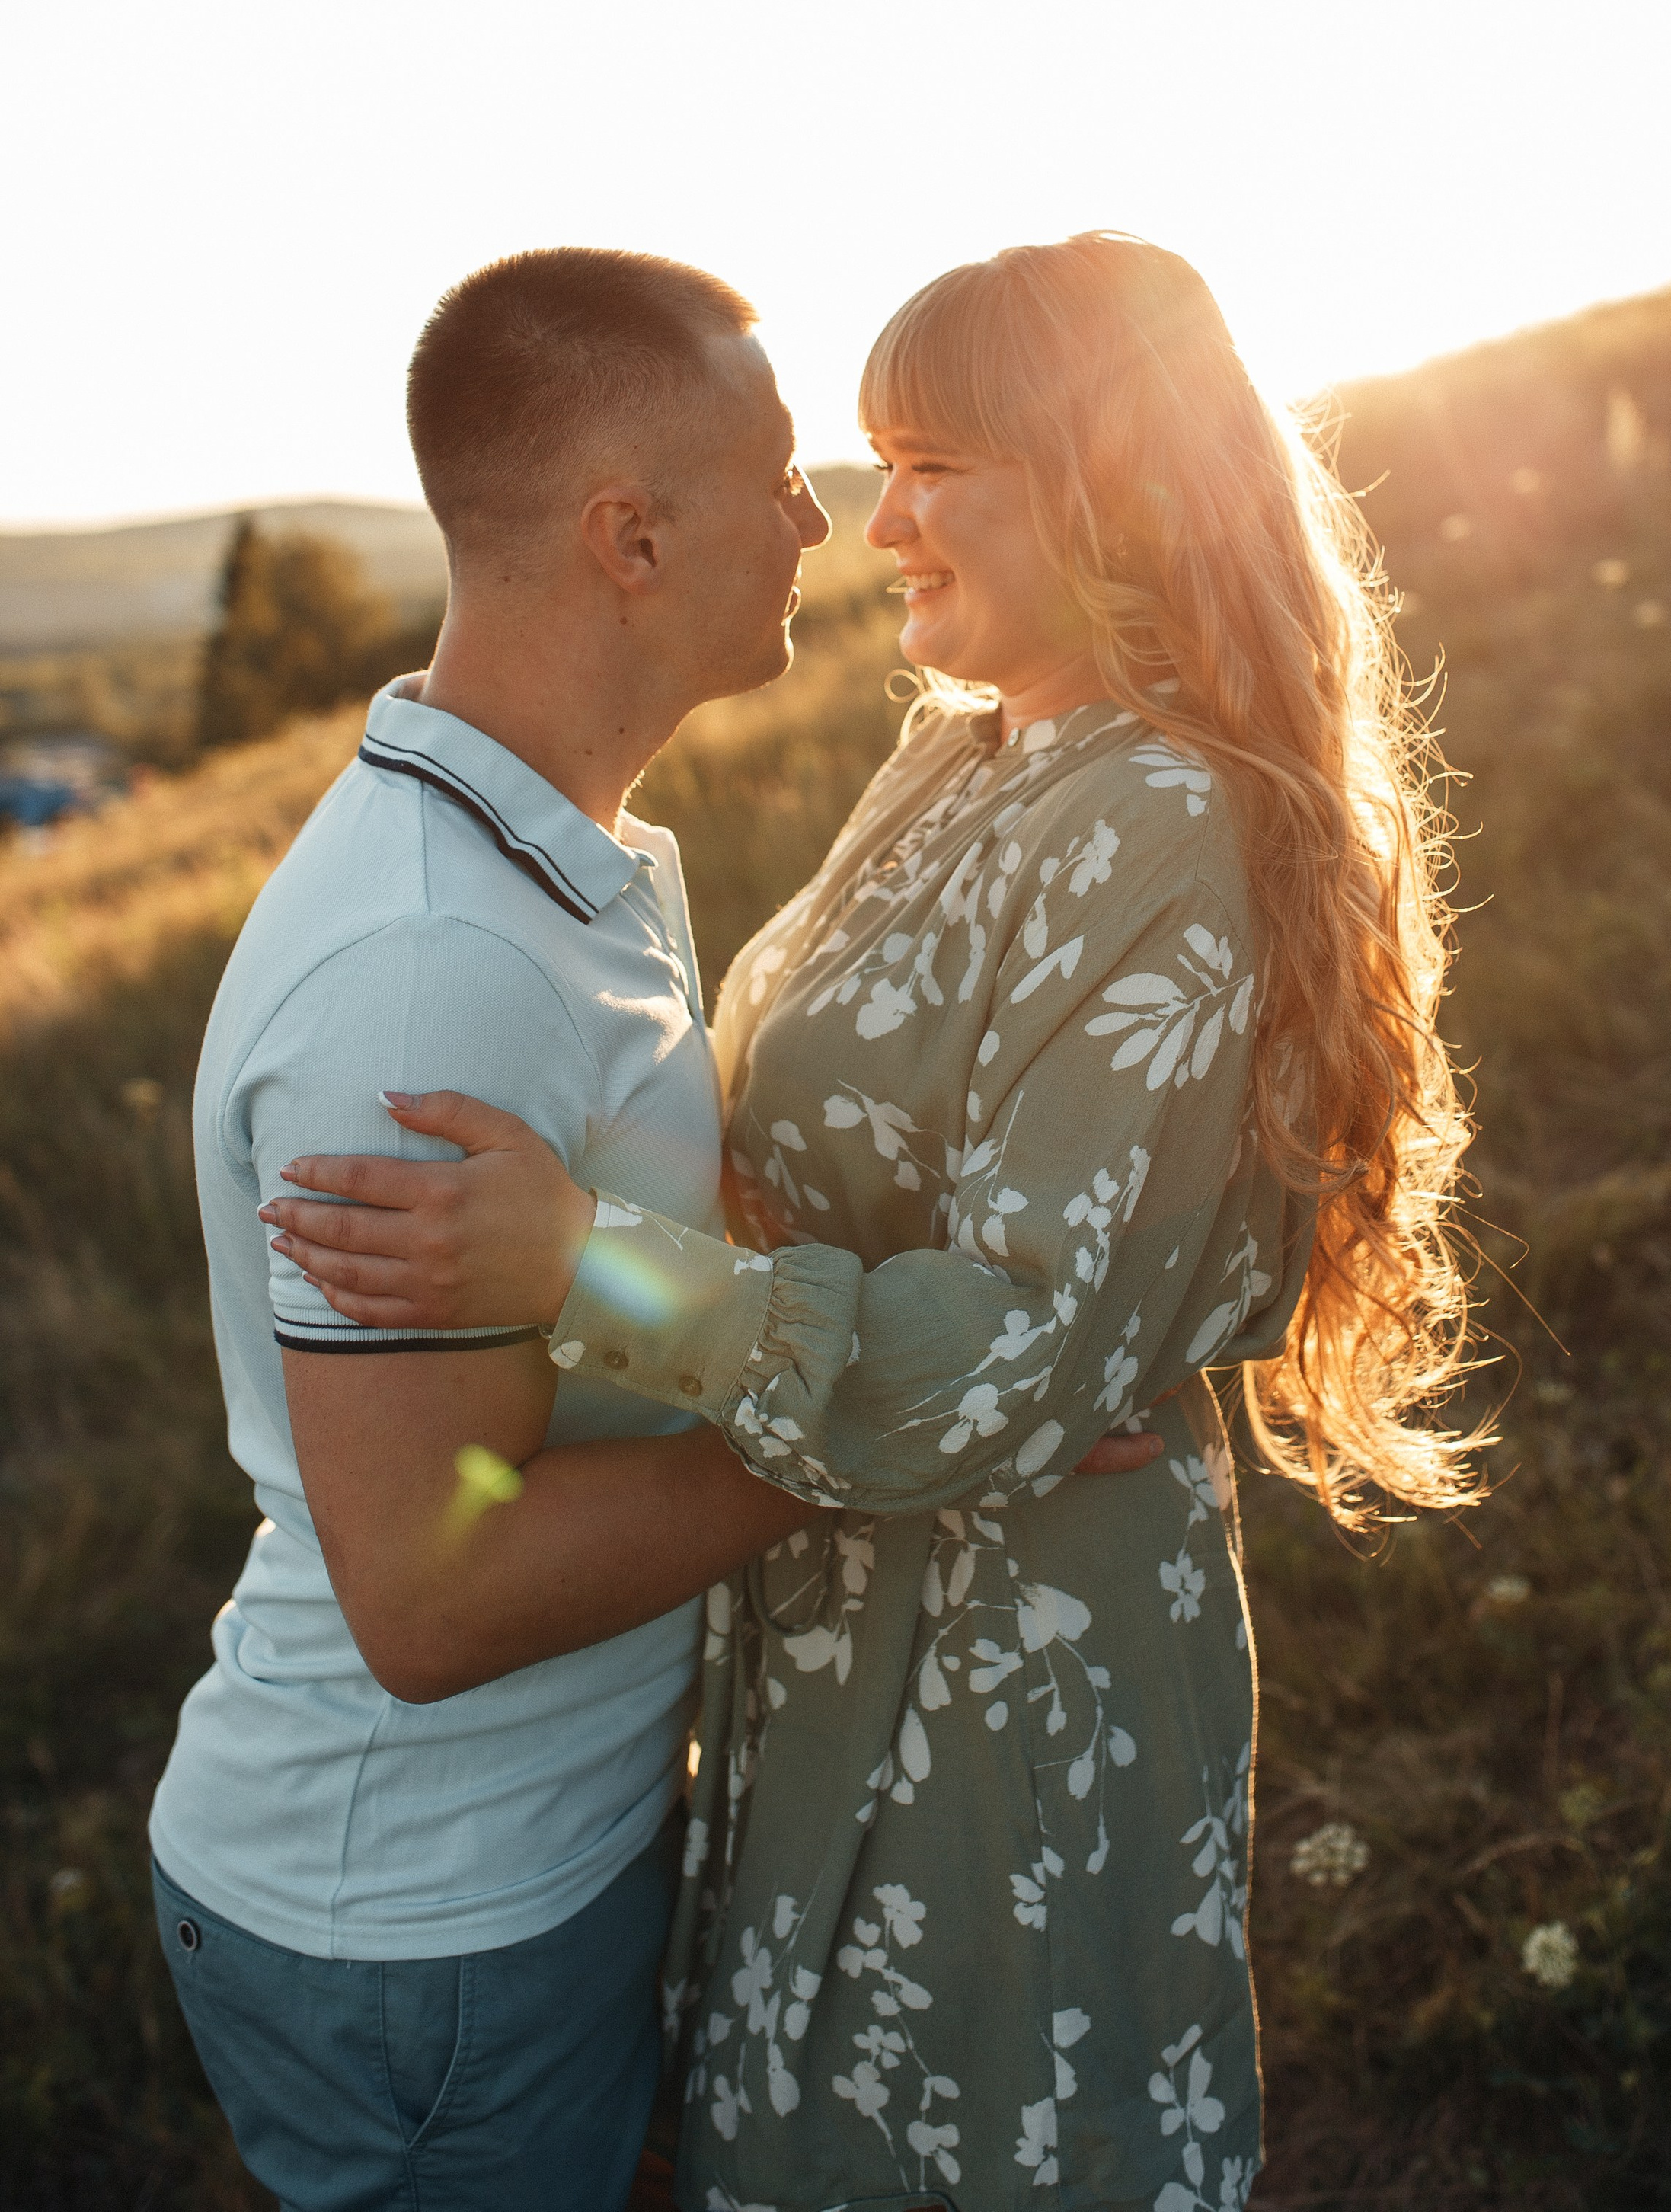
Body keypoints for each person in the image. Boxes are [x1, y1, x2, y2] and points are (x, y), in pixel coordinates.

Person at [267, 232, 1477, 2212]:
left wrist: (589, 1269)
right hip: (839, 1616)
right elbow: (838, 1181)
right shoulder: (965, 754)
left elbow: (1011, 1356)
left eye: (938, 467)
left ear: (1117, 488)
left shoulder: (1168, 821)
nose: (875, 519)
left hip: (1006, 1659)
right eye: (875, 455)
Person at [154, 242, 1168, 2212]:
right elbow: (430, 1603)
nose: (829, 524)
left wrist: (741, 1285)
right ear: (629, 536)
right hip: (423, 1914)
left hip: (529, 1865)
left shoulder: (557, 857)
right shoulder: (434, 968)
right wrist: (884, 1442)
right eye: (784, 479)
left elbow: (586, 1280)